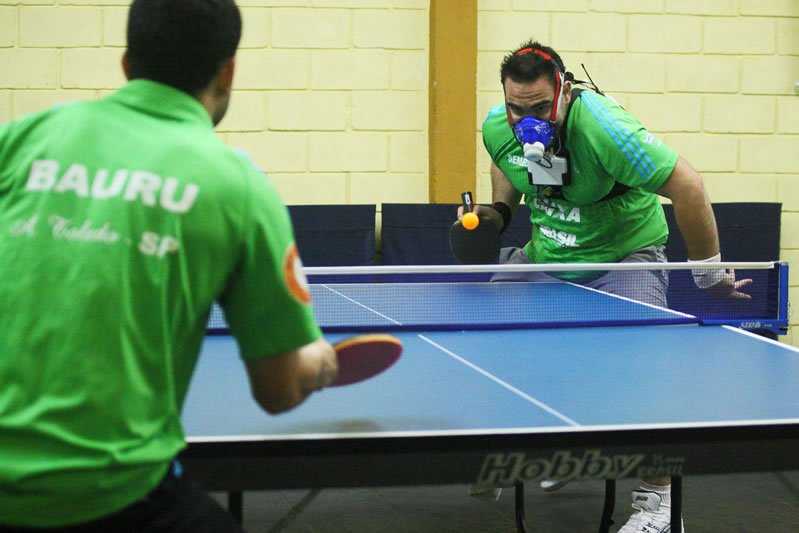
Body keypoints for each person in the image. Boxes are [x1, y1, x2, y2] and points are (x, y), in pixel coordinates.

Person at [0, 1, 338, 531]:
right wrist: (318, 360)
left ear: (127, 64)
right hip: (107, 492)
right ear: (227, 72)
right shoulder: (238, 187)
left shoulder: (22, 138)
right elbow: (276, 392)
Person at [460, 40, 753, 533]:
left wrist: (706, 274)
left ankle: (659, 503)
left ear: (565, 93)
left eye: (538, 108)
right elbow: (507, 158)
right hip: (549, 257)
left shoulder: (606, 131)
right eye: (516, 107)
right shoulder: (499, 125)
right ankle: (554, 451)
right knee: (489, 337)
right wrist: (502, 210)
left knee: (640, 372)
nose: (525, 118)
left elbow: (689, 186)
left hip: (624, 255)